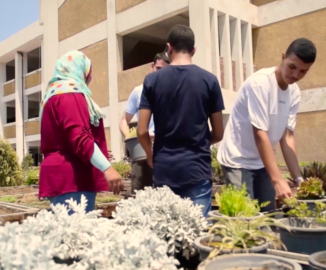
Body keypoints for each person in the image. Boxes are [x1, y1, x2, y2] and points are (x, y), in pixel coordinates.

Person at [217, 38, 317, 212]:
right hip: (238, 159)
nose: (295, 75)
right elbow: (260, 134)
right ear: (283, 57)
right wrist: (278, 180)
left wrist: (299, 180)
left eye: (303, 71)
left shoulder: (294, 93)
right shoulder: (261, 83)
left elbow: (287, 137)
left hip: (261, 161)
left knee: (268, 216)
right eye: (292, 67)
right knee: (244, 219)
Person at [137, 25, 225, 217]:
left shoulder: (152, 81)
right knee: (197, 237)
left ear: (169, 48)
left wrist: (151, 156)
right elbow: (218, 132)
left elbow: (142, 131)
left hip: (164, 169)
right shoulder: (209, 80)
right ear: (194, 50)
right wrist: (200, 141)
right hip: (197, 169)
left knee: (166, 237)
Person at [38, 50, 123, 214]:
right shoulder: (69, 94)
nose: (90, 77)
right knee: (76, 237)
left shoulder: (54, 95)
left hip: (63, 177)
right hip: (72, 178)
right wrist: (107, 168)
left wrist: (98, 152)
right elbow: (79, 136)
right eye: (89, 72)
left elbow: (66, 137)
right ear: (80, 70)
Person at [119, 52, 170, 193]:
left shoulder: (172, 91)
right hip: (141, 153)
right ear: (152, 67)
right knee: (139, 197)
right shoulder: (138, 91)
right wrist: (129, 137)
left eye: (165, 70)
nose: (161, 74)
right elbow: (124, 120)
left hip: (163, 153)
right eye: (158, 69)